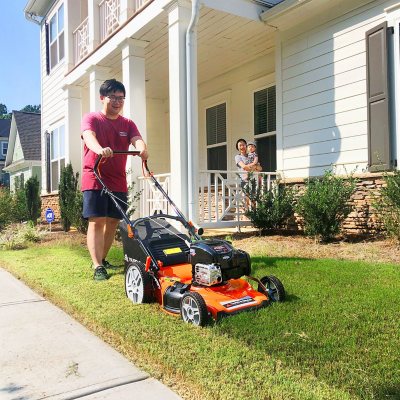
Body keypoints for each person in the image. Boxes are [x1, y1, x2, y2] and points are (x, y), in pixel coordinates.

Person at [81, 79, 148, 281]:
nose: (117, 102)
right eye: (113, 97)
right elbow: (88, 136)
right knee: (97, 220)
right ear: (103, 98)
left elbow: (137, 140)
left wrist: (143, 148)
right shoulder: (92, 118)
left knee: (112, 222)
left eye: (121, 98)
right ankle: (97, 265)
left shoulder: (127, 124)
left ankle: (102, 258)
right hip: (95, 176)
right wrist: (99, 149)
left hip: (118, 180)